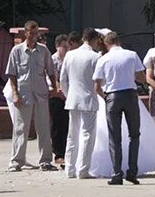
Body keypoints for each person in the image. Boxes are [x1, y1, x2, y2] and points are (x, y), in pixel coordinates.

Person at [6, 21, 60, 172]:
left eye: (36, 33)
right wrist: (15, 93)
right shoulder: (17, 51)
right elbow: (12, 74)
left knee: (43, 129)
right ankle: (16, 161)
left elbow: (50, 70)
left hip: (41, 94)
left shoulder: (43, 51)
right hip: (23, 94)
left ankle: (45, 161)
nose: (34, 36)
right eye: (31, 32)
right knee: (20, 129)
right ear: (25, 33)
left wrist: (55, 87)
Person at [93, 30, 143, 184]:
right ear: (119, 41)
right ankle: (132, 172)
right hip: (130, 95)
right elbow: (141, 77)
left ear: (107, 44)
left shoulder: (104, 59)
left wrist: (106, 97)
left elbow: (97, 86)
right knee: (134, 135)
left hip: (112, 96)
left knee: (114, 137)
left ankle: (116, 173)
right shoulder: (132, 55)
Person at [61, 29, 102, 179]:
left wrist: (68, 95)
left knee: (72, 135)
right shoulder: (95, 56)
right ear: (94, 40)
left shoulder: (70, 55)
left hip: (73, 99)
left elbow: (62, 79)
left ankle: (70, 169)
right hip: (89, 99)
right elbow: (99, 80)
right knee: (87, 136)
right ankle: (83, 170)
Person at [50, 34, 72, 170]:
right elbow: (51, 76)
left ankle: (66, 152)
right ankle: (58, 153)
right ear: (58, 46)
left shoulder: (69, 59)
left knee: (68, 125)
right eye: (64, 47)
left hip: (68, 96)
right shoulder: (53, 60)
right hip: (56, 97)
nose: (67, 49)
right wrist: (57, 89)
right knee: (57, 125)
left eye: (68, 47)